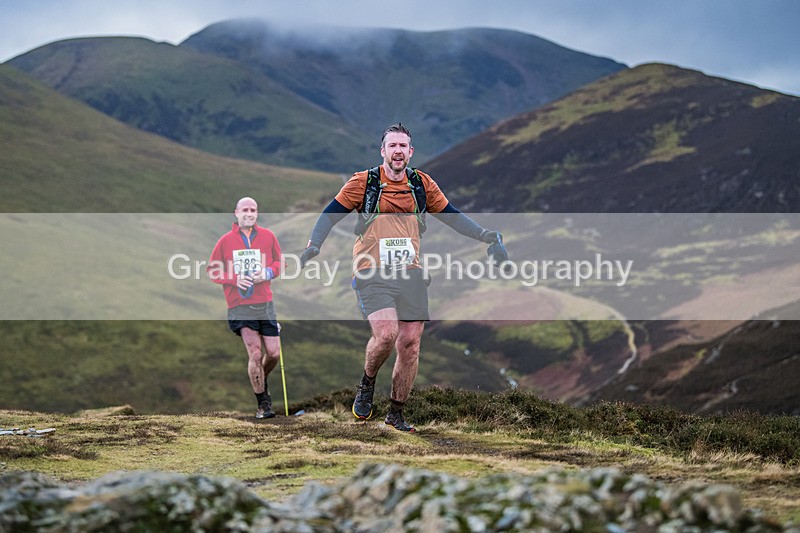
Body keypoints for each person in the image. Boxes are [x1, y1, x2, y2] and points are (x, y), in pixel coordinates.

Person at [299, 123, 507, 432]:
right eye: (392, 145)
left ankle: (396, 414)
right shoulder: (363, 183)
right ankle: (367, 383)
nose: (398, 151)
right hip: (371, 271)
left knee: (410, 344)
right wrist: (314, 245)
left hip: (410, 273)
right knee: (386, 335)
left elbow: (453, 217)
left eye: (403, 146)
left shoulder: (422, 185)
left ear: (410, 152)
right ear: (382, 151)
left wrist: (487, 236)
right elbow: (329, 214)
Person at [208, 197, 283, 419]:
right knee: (255, 353)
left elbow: (280, 263)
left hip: (265, 304)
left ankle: (260, 378)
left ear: (257, 213)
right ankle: (263, 405)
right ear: (236, 213)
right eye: (245, 210)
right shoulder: (225, 241)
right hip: (239, 305)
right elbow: (212, 270)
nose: (249, 213)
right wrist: (233, 279)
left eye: (253, 210)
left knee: (273, 353)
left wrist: (267, 273)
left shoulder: (268, 236)